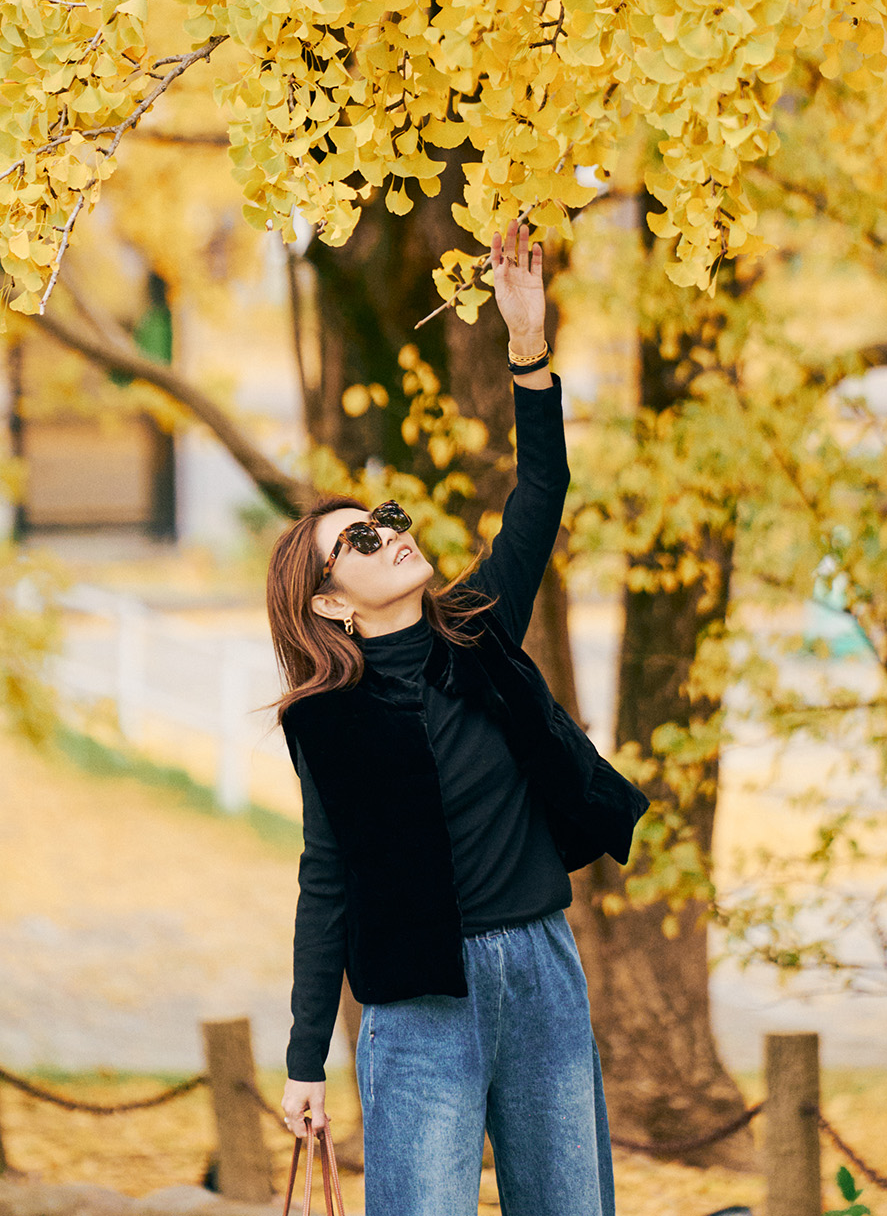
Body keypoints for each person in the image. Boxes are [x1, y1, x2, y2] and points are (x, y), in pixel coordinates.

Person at [265, 218, 649, 1216]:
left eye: (385, 520)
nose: (391, 534)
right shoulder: (326, 724)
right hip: (418, 1007)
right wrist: (306, 1060)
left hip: (540, 969)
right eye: (360, 539)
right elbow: (326, 882)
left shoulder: (479, 630)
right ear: (330, 603)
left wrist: (528, 348)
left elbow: (540, 491)